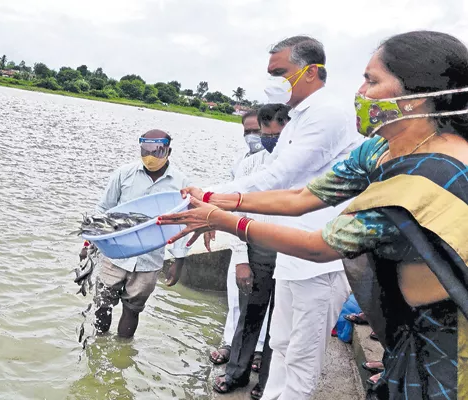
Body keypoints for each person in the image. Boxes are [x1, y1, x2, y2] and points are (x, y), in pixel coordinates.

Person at [158, 30, 468, 399]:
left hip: (443, 336)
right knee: (283, 344)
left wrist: (226, 221)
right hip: (401, 326)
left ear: (416, 98)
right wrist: (216, 199)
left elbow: (319, 245)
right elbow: (302, 195)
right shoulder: (380, 150)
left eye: (372, 80)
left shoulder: (428, 176)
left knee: (302, 360)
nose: (361, 92)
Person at [202, 36, 363, 399]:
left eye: (280, 72)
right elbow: (267, 173)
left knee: (301, 362)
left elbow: (281, 180)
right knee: (281, 343)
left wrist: (212, 201)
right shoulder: (297, 119)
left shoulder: (328, 113)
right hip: (290, 259)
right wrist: (204, 194)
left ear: (312, 72)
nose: (272, 80)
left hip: (318, 263)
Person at [213, 104, 291, 399]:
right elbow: (237, 214)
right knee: (248, 315)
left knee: (280, 322)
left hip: (290, 248)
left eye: (276, 133)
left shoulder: (302, 163)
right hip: (256, 248)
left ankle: (268, 380)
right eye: (264, 132)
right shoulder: (248, 166)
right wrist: (241, 259)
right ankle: (236, 372)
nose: (269, 138)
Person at [84, 129, 191, 338]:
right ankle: (100, 345)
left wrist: (179, 261)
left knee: (133, 309)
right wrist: (89, 243)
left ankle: (123, 347)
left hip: (149, 259)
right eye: (146, 149)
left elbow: (182, 223)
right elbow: (103, 208)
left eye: (157, 150)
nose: (150, 155)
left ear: (169, 150)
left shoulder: (179, 182)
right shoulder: (125, 173)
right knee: (103, 303)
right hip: (115, 253)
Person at [210, 109, 269, 366]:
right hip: (240, 235)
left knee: (262, 301)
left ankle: (257, 349)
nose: (252, 136)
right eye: (248, 131)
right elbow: (231, 200)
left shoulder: (277, 161)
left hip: (268, 238)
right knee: (235, 296)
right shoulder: (242, 162)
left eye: (257, 130)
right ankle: (228, 343)